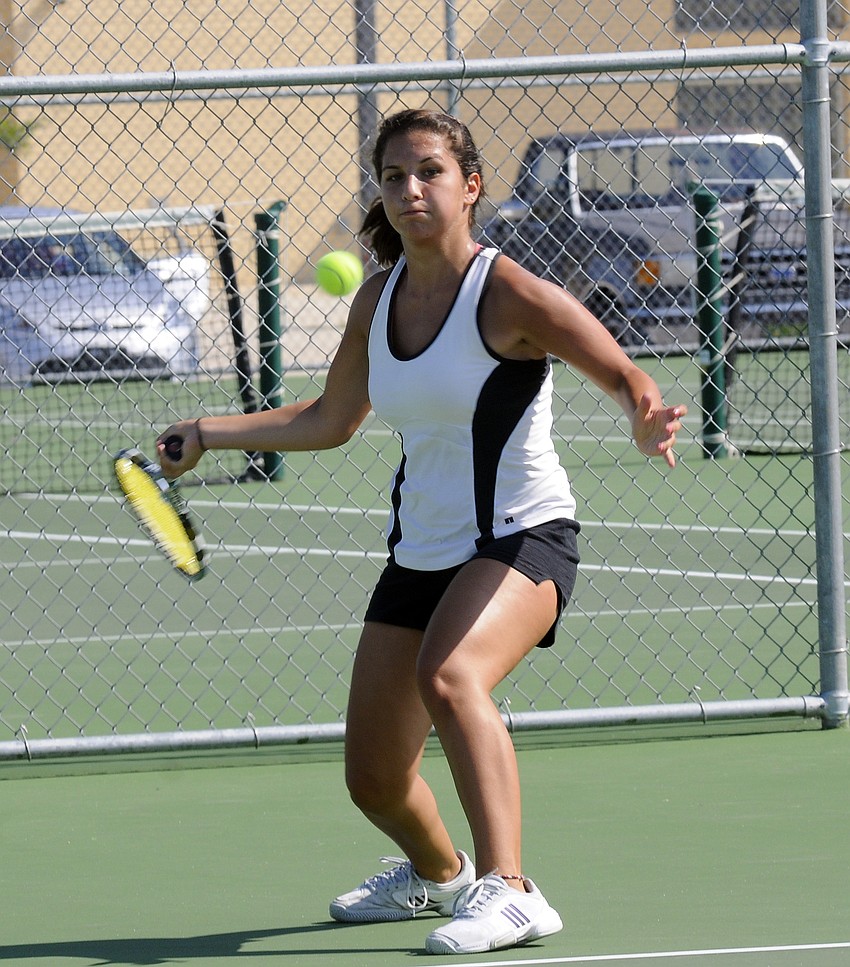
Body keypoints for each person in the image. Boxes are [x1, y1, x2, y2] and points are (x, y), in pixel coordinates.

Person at [157, 108, 686, 956]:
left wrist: (644, 411)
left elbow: (620, 369)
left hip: (522, 537)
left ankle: (511, 888)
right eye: (394, 175)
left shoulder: (509, 291)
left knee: (452, 675)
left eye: (429, 171)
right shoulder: (378, 298)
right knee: (372, 776)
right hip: (423, 549)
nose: (409, 190)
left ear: (470, 185)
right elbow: (332, 417)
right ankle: (438, 875)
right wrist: (211, 430)